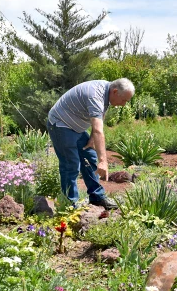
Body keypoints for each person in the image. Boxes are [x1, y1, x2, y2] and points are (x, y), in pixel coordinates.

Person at [47, 78, 135, 209]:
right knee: (71, 165)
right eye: (124, 100)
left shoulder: (107, 92)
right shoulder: (95, 95)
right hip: (61, 124)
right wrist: (103, 161)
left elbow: (100, 117)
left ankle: (97, 197)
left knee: (89, 157)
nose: (124, 104)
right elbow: (99, 131)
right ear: (115, 91)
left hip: (76, 127)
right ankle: (69, 205)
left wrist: (92, 138)